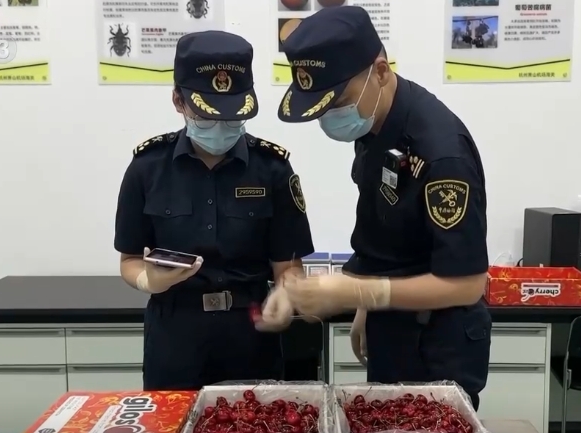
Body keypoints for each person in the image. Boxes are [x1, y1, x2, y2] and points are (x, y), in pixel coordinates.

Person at [276, 6, 491, 409]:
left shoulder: (441, 153)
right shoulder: (375, 124)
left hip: (438, 342)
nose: (331, 116)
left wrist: (362, 291)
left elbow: (467, 283)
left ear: (379, 71)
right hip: (391, 326)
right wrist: (363, 302)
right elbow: (385, 229)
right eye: (322, 107)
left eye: (339, 100)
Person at [114, 30, 314, 390]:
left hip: (250, 334)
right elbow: (129, 259)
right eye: (207, 116)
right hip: (175, 333)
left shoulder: (272, 169)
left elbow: (288, 266)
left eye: (234, 117)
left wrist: (287, 294)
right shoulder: (147, 169)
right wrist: (147, 280)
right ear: (178, 100)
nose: (221, 126)